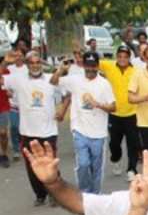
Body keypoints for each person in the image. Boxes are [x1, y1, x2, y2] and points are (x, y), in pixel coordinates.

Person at [51, 51, 116, 194]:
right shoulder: (75, 80)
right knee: (83, 164)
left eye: (93, 66)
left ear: (98, 66)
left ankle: (95, 194)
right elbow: (53, 81)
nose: (90, 69)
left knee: (96, 166)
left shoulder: (104, 84)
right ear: (83, 65)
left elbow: (113, 107)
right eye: (88, 65)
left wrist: (97, 104)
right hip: (79, 130)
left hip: (99, 133)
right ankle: (85, 192)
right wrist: (60, 70)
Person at [0, 51, 60, 206]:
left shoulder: (50, 79)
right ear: (27, 65)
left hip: (48, 131)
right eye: (31, 63)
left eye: (37, 62)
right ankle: (40, 195)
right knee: (32, 166)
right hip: (27, 131)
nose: (35, 65)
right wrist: (5, 63)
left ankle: (54, 194)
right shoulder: (18, 80)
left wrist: (62, 109)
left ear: (41, 63)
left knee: (50, 164)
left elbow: (66, 94)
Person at [99, 44, 139, 181]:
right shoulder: (108, 66)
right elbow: (88, 62)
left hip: (132, 113)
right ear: (117, 57)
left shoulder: (136, 71)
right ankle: (115, 159)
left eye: (125, 57)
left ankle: (132, 169)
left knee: (133, 144)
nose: (122, 59)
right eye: (120, 56)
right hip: (114, 113)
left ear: (129, 58)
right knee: (114, 144)